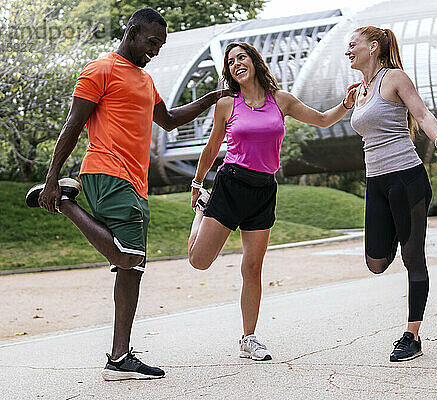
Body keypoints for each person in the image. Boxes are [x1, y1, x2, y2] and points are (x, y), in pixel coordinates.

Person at [25, 8, 231, 380]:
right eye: (152, 42)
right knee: (127, 254)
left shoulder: (145, 80)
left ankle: (119, 359)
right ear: (132, 32)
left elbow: (167, 120)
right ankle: (68, 203)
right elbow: (74, 123)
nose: (156, 51)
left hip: (136, 183)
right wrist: (53, 177)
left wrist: (211, 98)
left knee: (132, 268)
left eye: (162, 45)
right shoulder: (100, 69)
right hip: (106, 172)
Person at [187, 42, 357, 361]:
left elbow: (321, 120)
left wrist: (345, 104)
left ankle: (248, 338)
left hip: (264, 188)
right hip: (230, 184)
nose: (237, 63)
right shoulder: (226, 104)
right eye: (231, 61)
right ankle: (201, 213)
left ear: (254, 61)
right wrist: (197, 183)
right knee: (199, 261)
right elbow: (212, 148)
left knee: (253, 267)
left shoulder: (282, 101)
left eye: (242, 57)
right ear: (229, 71)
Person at [345, 26, 437, 362]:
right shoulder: (360, 91)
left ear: (373, 47)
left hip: (406, 179)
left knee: (413, 258)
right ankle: (400, 232)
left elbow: (422, 114)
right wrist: (347, 102)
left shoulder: (394, 78)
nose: (348, 51)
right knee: (376, 262)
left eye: (353, 45)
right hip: (377, 183)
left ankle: (412, 335)